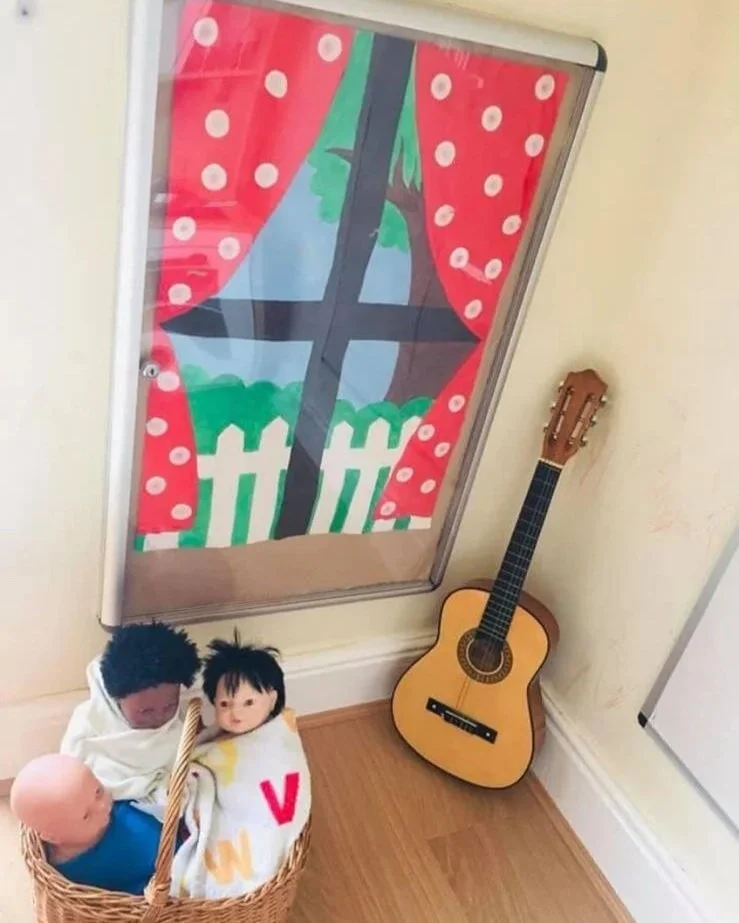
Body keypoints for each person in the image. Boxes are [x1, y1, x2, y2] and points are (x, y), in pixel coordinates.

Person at [61, 622, 202, 800]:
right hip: (99, 801)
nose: (159, 718)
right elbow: (68, 770)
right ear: (117, 699)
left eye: (170, 706)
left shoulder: (178, 725)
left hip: (158, 805)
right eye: (145, 711)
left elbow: (182, 764)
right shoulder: (92, 719)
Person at [11, 754, 163, 895]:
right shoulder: (82, 875)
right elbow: (130, 895)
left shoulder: (91, 805)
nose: (103, 806)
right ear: (54, 837)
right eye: (86, 816)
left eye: (98, 792)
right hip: (170, 862)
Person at [201, 630, 285, 736]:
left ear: (272, 700)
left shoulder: (275, 736)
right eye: (224, 704)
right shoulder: (212, 736)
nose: (235, 713)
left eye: (249, 702)